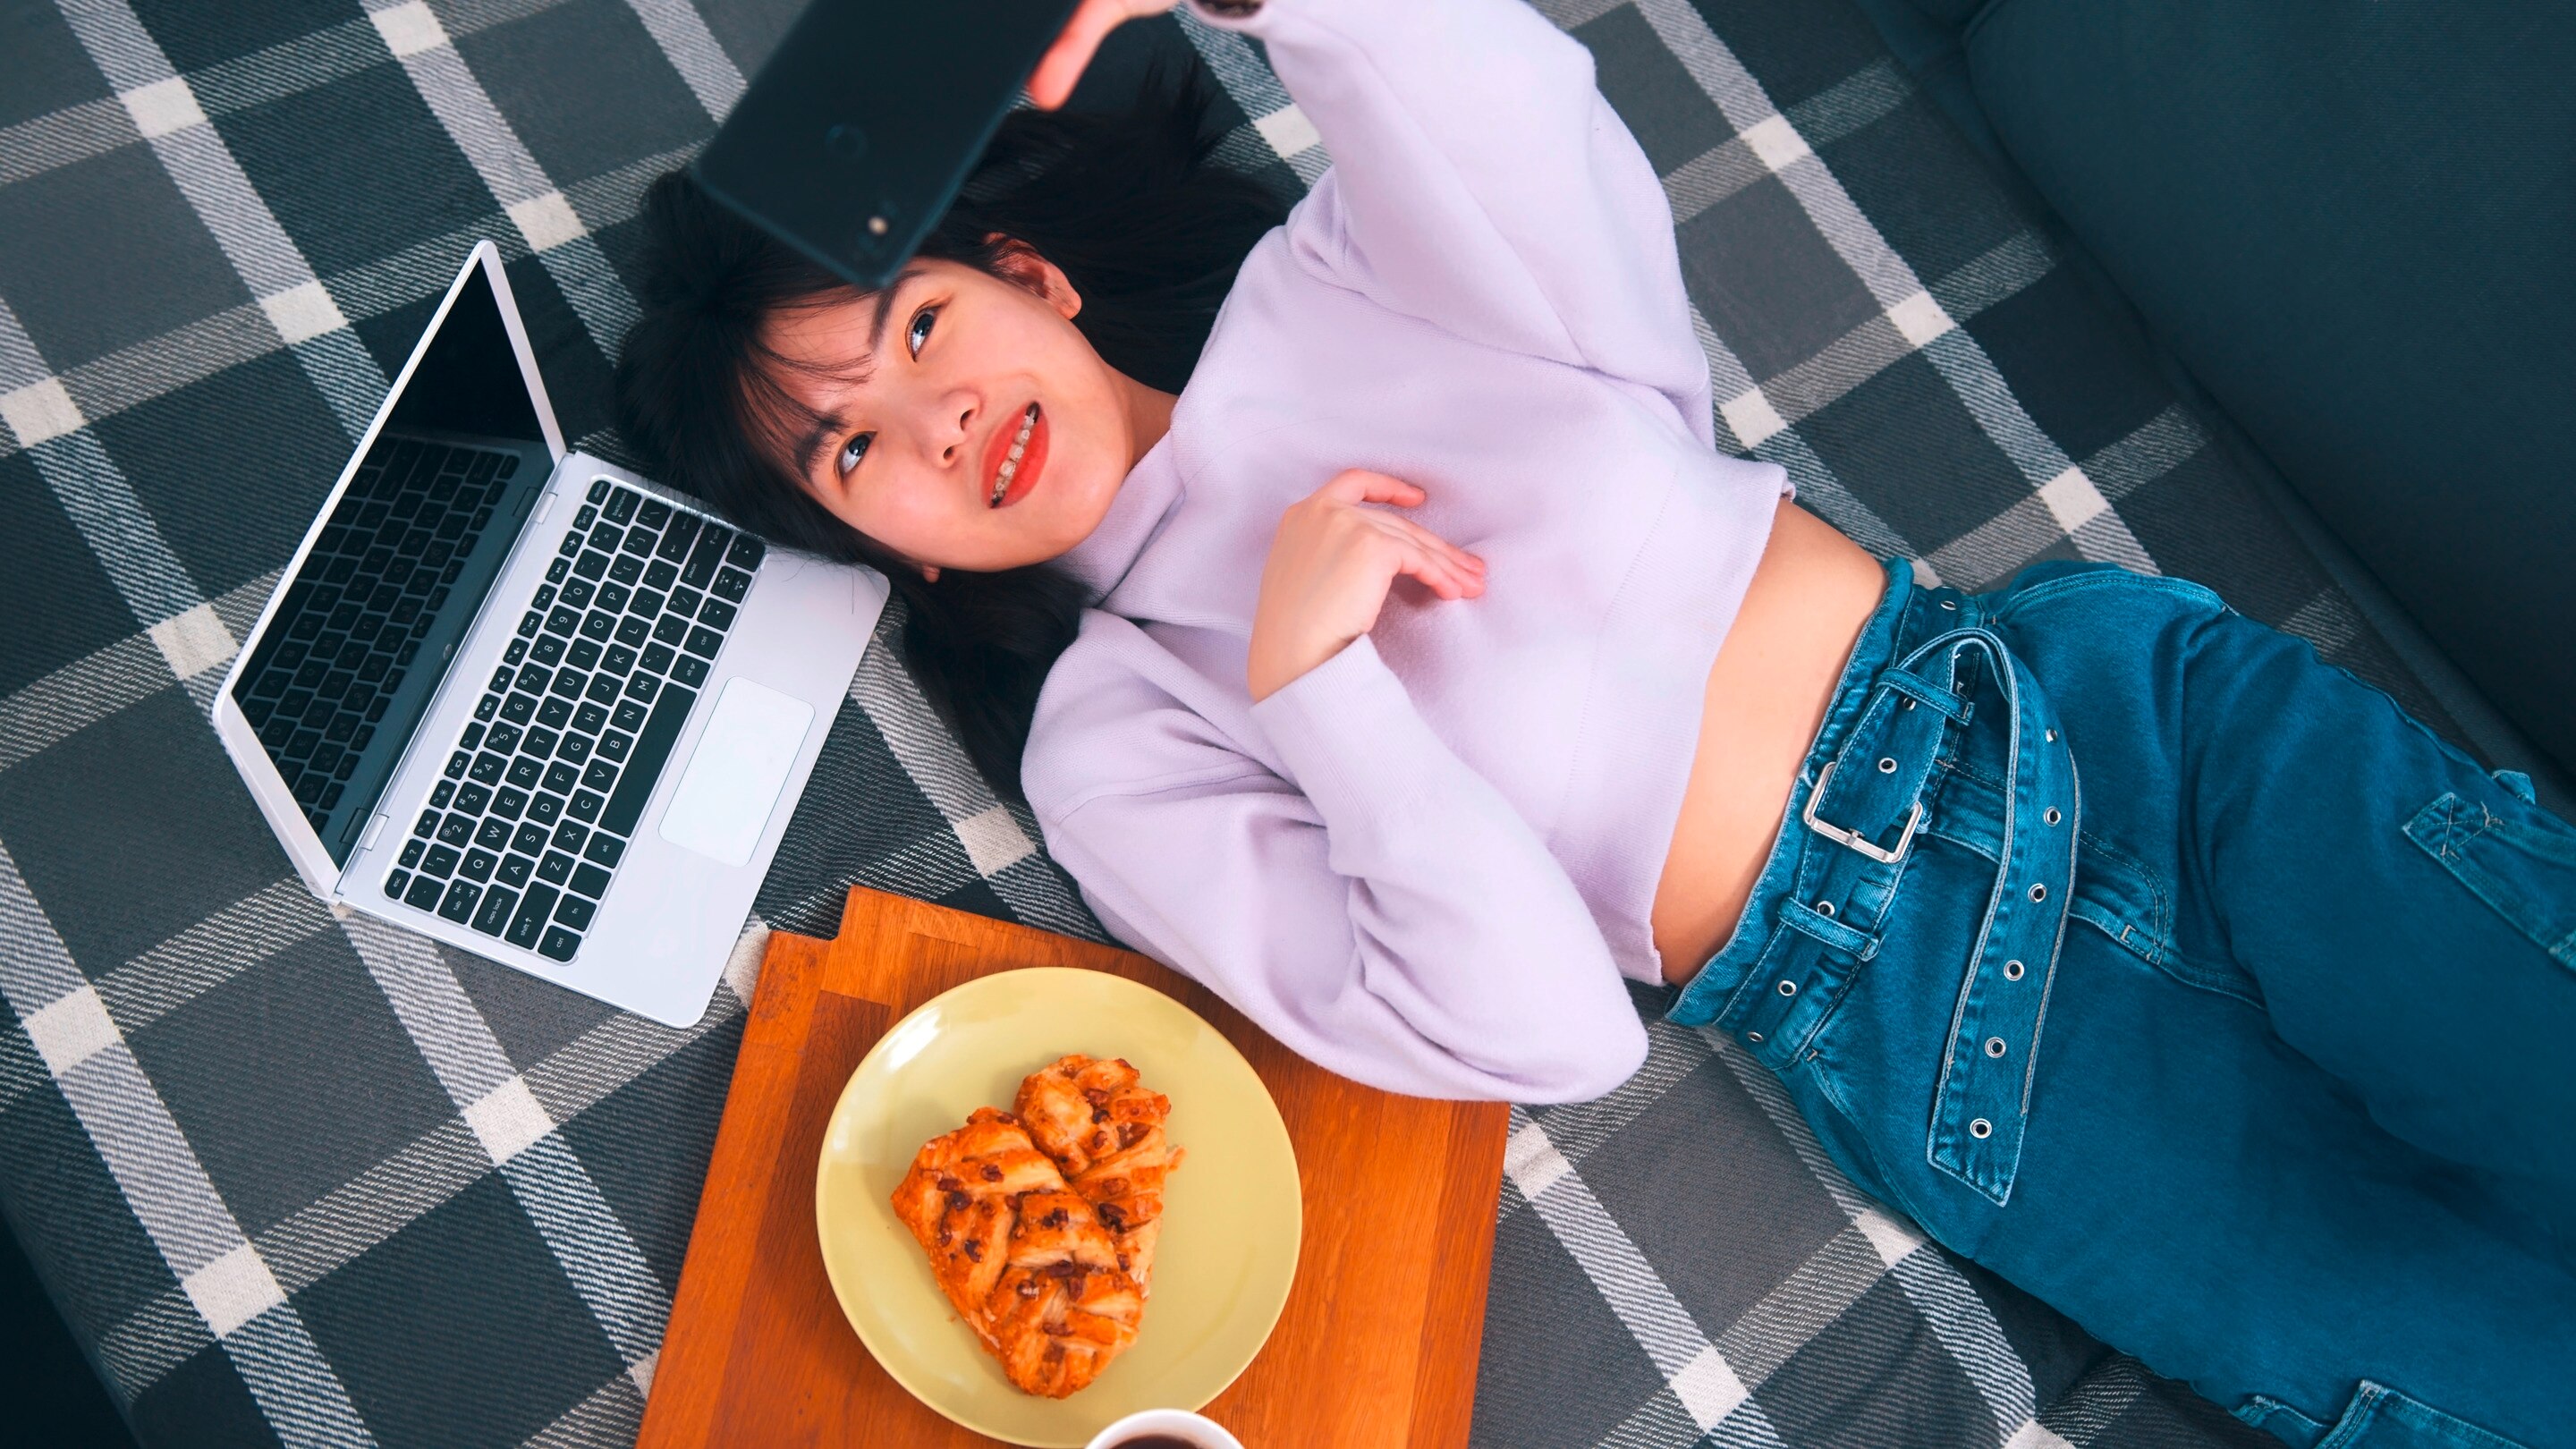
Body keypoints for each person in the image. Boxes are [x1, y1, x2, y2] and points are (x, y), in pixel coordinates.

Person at [613, 1, 2576, 1443]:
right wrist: (1319, 692)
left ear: (1026, 276)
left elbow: (1513, 108)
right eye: (856, 450)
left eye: (924, 331)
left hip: (2108, 724)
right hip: (1930, 1029)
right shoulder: (1119, 742)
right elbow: (1533, 1030)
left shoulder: (1357, 276)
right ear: (897, 555)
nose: (934, 422)